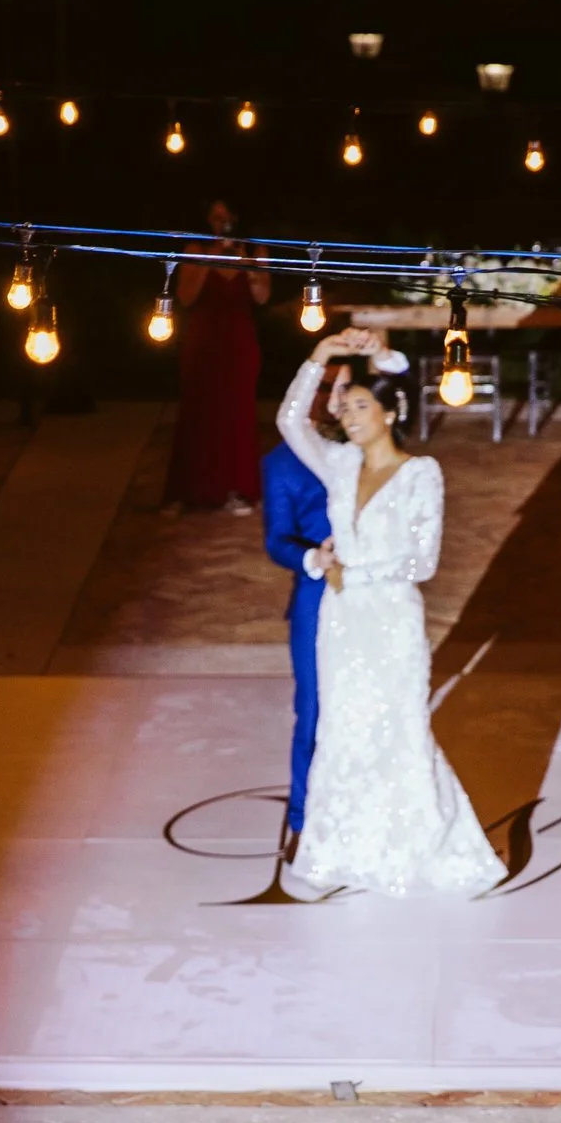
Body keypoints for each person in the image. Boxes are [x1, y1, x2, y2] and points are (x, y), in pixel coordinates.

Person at [273, 330, 502, 898]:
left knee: (399, 731)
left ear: (390, 410)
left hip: (392, 620)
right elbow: (288, 422)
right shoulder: (340, 464)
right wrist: (321, 356)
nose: (347, 416)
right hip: (341, 620)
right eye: (344, 406)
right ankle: (332, 857)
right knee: (342, 732)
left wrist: (355, 571)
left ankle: (438, 852)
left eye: (359, 405)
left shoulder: (422, 473)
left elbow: (421, 562)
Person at [261, 358, 350, 853]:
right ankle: (303, 820)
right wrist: (314, 556)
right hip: (318, 595)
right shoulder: (281, 462)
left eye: (343, 389)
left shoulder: (369, 450)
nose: (333, 400)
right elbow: (276, 540)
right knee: (314, 710)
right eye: (326, 388)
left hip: (374, 597)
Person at [165, 200, 272, 514]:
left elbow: (262, 297)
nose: (221, 223)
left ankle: (237, 490)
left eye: (227, 217)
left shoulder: (255, 251)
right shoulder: (195, 249)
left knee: (238, 412)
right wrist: (209, 260)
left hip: (239, 340)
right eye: (215, 217)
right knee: (199, 410)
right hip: (204, 339)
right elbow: (185, 297)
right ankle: (188, 491)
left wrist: (246, 266)